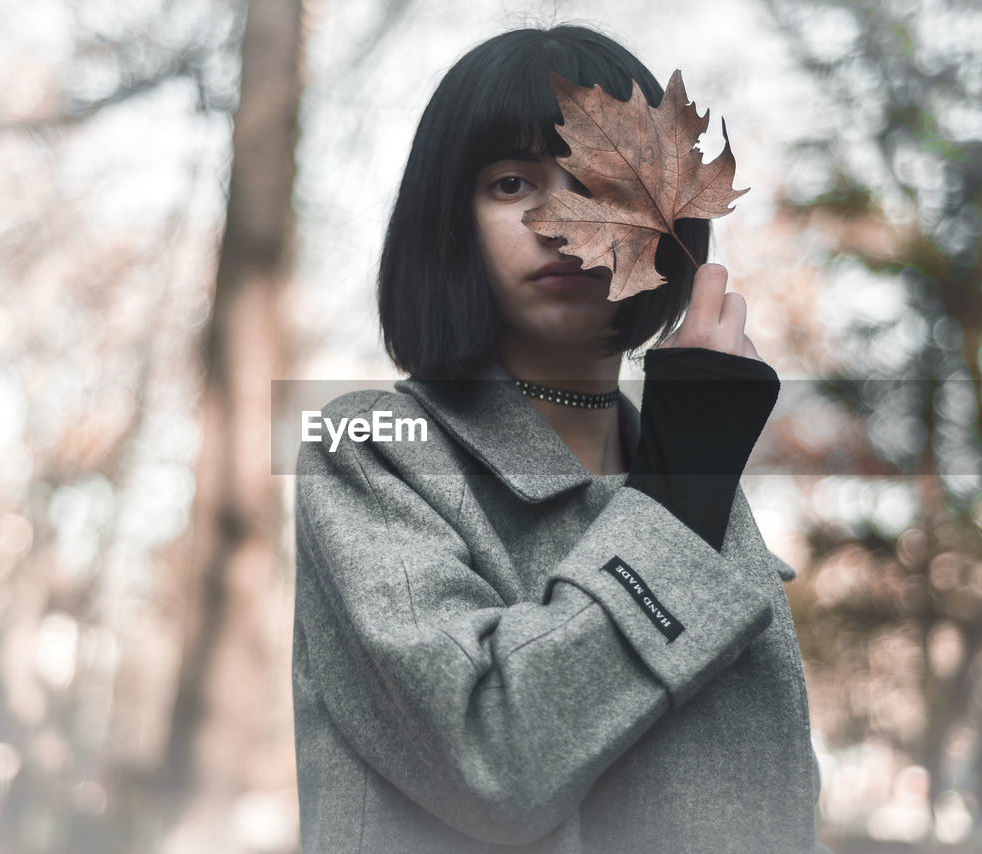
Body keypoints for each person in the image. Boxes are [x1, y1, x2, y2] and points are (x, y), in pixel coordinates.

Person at [292, 24, 826, 853]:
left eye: (604, 184)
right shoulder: (374, 449)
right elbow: (489, 756)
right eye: (511, 183)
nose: (561, 218)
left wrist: (688, 479)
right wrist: (681, 498)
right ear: (449, 222)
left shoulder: (699, 486)